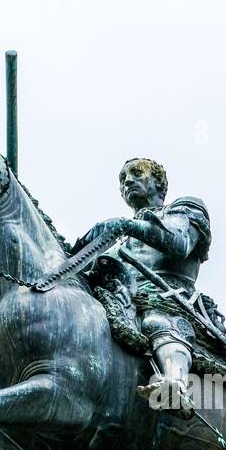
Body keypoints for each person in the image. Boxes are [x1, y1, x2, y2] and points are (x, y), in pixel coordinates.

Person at [72, 158, 211, 418]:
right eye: (123, 179)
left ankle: (175, 383)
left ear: (158, 182)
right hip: (125, 299)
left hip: (168, 295)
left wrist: (127, 226)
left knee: (156, 320)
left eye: (136, 173)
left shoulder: (185, 209)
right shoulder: (120, 240)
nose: (127, 181)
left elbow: (179, 243)